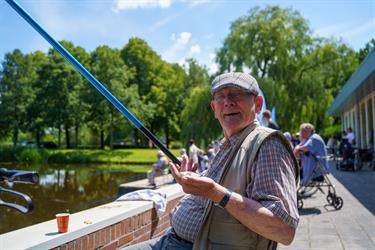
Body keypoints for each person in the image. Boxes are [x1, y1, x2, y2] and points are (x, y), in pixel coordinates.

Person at [124, 72, 299, 249]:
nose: (228, 102)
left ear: (258, 104)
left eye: (236, 94)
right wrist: (195, 178)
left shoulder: (268, 144)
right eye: (221, 97)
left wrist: (214, 192)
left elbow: (283, 230)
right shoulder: (229, 143)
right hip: (172, 239)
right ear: (214, 108)